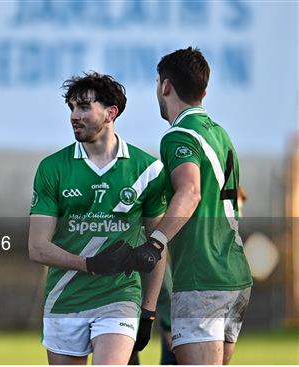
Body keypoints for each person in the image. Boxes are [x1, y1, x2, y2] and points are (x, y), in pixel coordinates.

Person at [28, 72, 167, 365]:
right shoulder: (52, 168)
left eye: (83, 107)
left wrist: (148, 311)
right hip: (64, 298)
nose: (74, 116)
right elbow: (37, 247)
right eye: (71, 108)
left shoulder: (148, 170)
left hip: (119, 297)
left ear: (110, 112)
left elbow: (159, 246)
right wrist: (88, 264)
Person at [124, 47, 252, 364]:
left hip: (201, 277)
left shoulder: (179, 134)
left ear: (165, 86)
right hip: (233, 275)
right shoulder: (220, 134)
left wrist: (156, 241)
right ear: (204, 91)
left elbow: (190, 192)